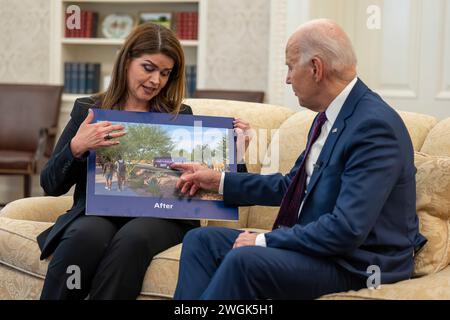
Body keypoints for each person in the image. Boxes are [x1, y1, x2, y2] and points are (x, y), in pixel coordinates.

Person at [171, 19, 427, 300]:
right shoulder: (330, 116)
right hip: (324, 252)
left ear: (316, 68)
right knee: (200, 241)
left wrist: (262, 240)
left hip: (359, 265)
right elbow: (290, 187)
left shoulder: (374, 127)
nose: (287, 78)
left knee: (245, 260)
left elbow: (348, 228)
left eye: (290, 67)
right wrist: (218, 180)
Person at [37, 22, 250, 300]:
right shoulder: (89, 111)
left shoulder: (180, 116)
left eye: (165, 73)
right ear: (126, 61)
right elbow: (50, 185)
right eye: (148, 68)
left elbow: (224, 189)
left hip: (163, 215)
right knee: (84, 237)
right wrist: (77, 147)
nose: (155, 81)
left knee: (133, 239)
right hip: (98, 211)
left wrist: (239, 152)